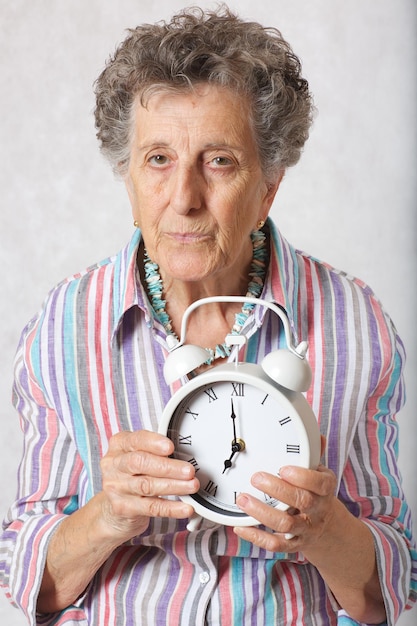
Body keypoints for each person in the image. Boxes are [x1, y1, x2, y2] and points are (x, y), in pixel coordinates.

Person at [0, 5, 416, 625]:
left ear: (269, 185)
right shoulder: (62, 328)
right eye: (158, 160)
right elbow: (28, 582)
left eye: (219, 161)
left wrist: (326, 532)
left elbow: (390, 593)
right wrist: (107, 516)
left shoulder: (355, 323)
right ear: (128, 177)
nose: (184, 199)